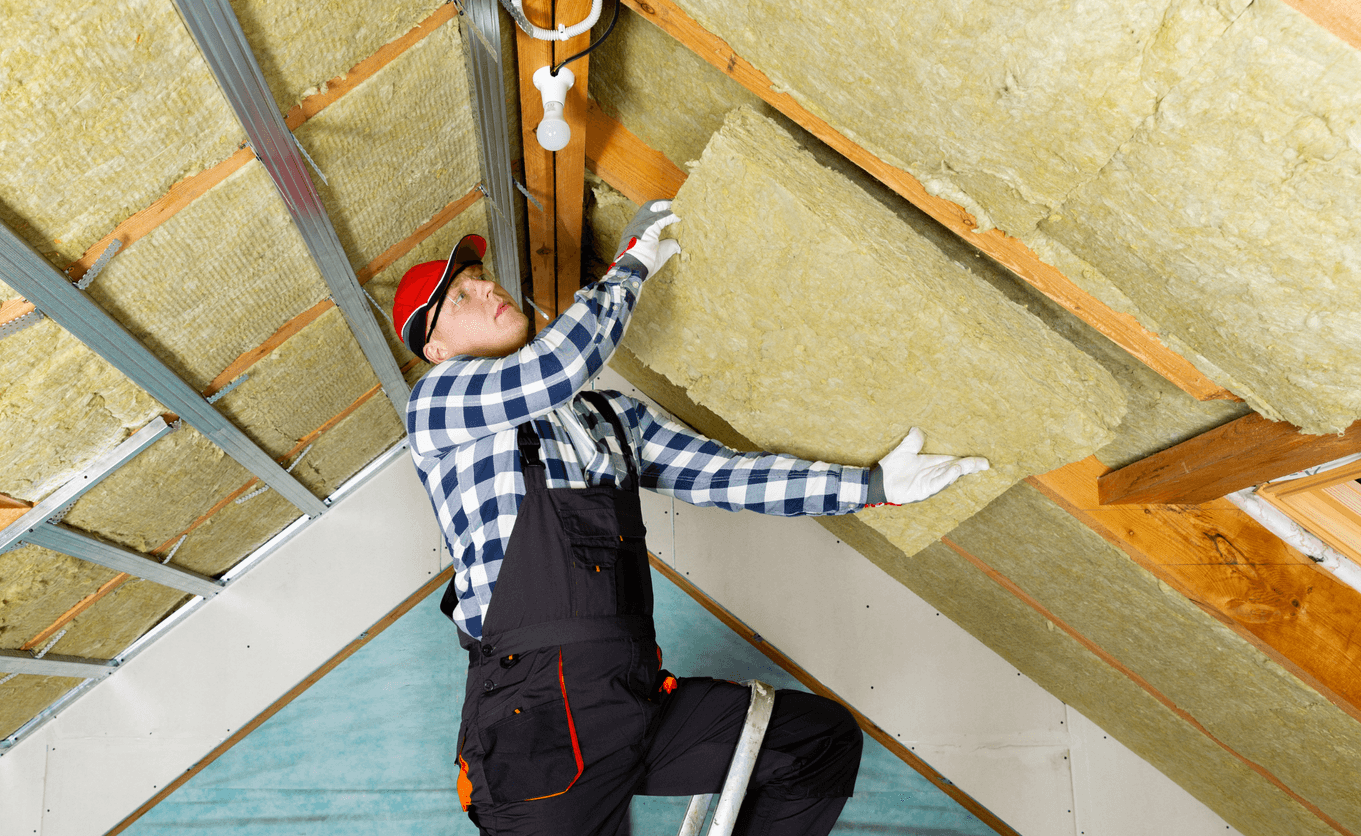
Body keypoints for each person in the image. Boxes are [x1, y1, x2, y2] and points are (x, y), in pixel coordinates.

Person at [391, 203, 989, 836]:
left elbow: (729, 475)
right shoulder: (437, 404)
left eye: (484, 278)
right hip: (535, 725)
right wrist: (629, 269)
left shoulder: (610, 419)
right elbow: (555, 368)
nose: (489, 289)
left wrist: (871, 487)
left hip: (633, 699)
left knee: (816, 743)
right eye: (461, 294)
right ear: (436, 348)